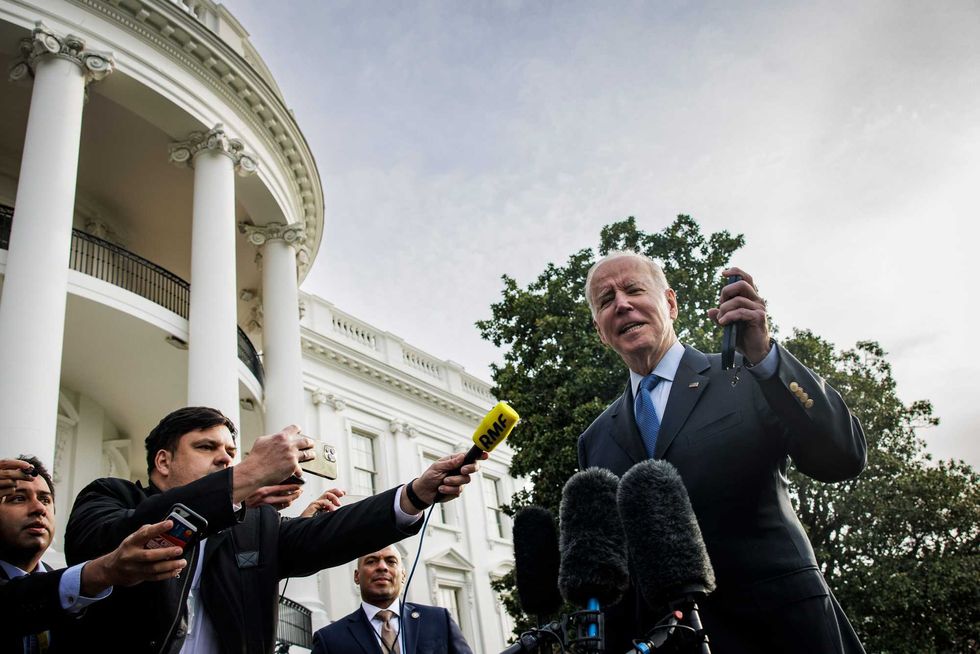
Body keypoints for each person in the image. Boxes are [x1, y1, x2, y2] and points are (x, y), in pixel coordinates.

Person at [577, 251, 867, 653]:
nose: (622, 304)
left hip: (784, 633)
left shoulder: (748, 375)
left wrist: (765, 356)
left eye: (634, 289)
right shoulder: (595, 440)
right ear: (599, 329)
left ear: (671, 303)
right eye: (606, 300)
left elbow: (842, 456)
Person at [63, 406, 483, 654]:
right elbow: (96, 544)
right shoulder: (111, 496)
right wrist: (243, 480)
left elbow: (330, 535)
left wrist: (414, 494)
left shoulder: (253, 523)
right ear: (163, 461)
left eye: (231, 453)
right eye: (207, 447)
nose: (225, 460)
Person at [1, 456, 186, 652]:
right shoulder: (74, 589)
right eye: (18, 498)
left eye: (45, 499)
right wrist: (103, 571)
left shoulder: (81, 600)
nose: (39, 509)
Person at [311, 545, 472, 654]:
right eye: (371, 561)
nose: (382, 567)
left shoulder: (438, 620)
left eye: (391, 561)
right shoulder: (329, 640)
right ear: (357, 576)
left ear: (403, 575)